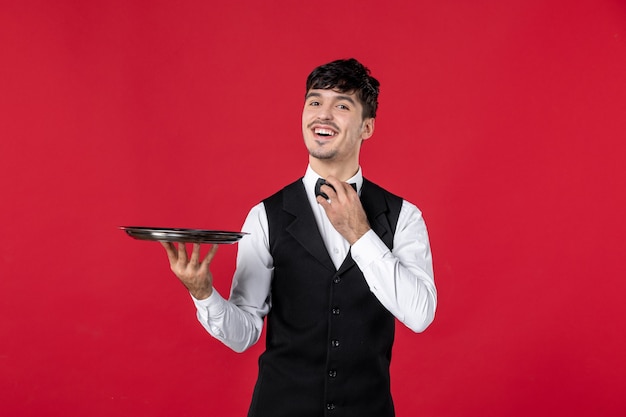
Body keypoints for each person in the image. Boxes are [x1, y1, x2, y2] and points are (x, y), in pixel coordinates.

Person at [161, 58, 437, 417]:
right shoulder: (265, 216)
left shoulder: (404, 217)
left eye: (341, 105)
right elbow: (244, 333)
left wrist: (360, 234)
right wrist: (203, 295)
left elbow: (420, 315)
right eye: (314, 102)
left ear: (367, 127)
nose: (323, 115)